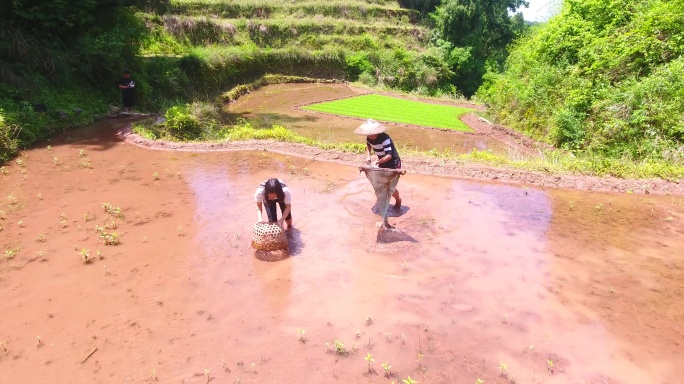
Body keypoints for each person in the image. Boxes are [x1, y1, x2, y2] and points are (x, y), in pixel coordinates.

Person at [355, 119, 402, 210]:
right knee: (380, 184)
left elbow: (389, 155)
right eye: (369, 134)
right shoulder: (369, 138)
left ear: (378, 131)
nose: (372, 136)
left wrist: (377, 162)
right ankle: (381, 199)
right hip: (382, 161)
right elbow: (368, 145)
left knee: (390, 186)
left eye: (373, 134)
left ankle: (398, 200)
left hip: (393, 163)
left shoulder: (385, 139)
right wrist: (368, 156)